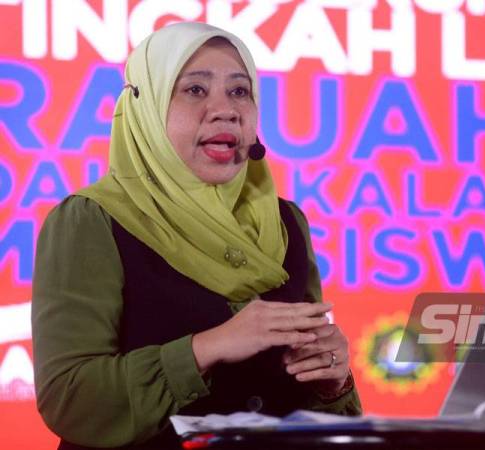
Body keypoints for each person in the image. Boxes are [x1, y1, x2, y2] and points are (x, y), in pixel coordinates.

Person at [31, 22, 361, 450]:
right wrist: (208, 347)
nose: (226, 110)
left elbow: (318, 416)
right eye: (195, 90)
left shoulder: (285, 222)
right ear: (147, 110)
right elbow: (70, 399)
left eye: (239, 91)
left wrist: (332, 382)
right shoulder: (92, 220)